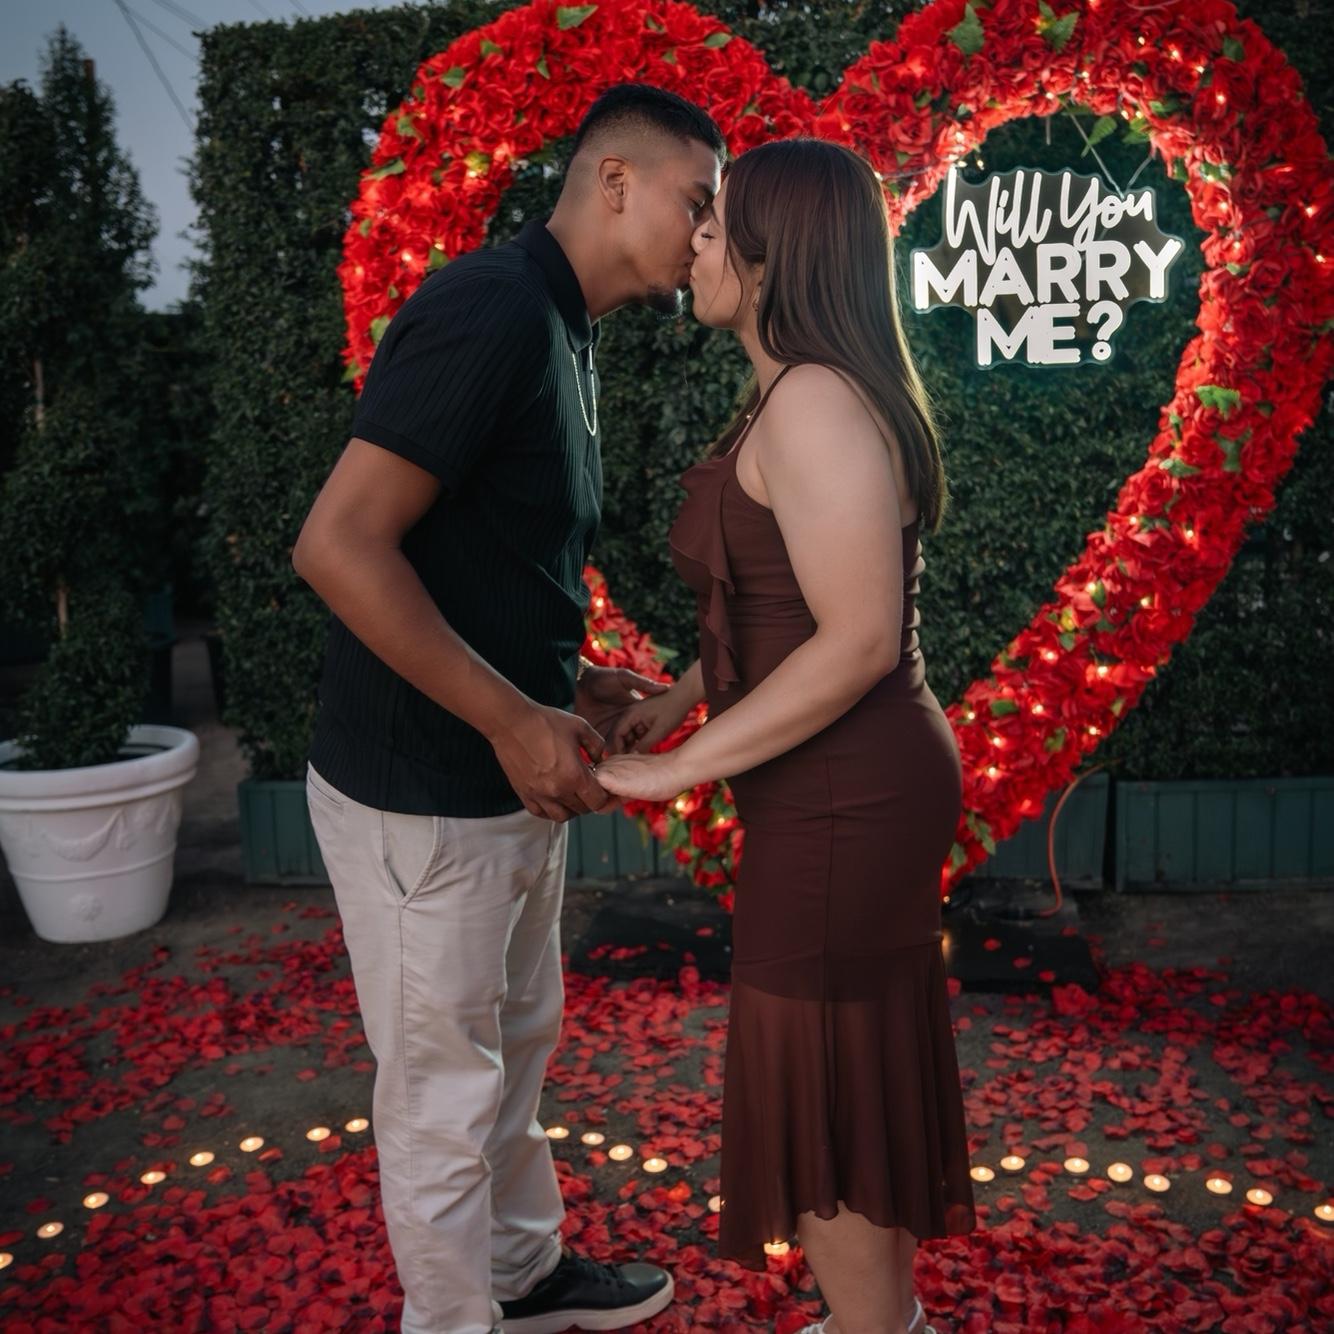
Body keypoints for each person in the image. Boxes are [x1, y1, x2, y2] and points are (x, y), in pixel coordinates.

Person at [292, 84, 725, 1334]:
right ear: (613, 183)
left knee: (516, 1047)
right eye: (696, 202)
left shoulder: (559, 324)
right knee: (441, 1097)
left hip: (500, 778)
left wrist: (562, 684)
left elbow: (482, 552)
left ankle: (524, 1278)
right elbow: (337, 543)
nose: (708, 234)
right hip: (421, 790)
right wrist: (507, 716)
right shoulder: (491, 307)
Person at [594, 138, 978, 1334]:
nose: (694, 242)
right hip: (842, 786)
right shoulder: (798, 390)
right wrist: (682, 695)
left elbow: (854, 638)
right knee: (849, 1067)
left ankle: (875, 1328)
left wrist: (677, 768)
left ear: (772, 257)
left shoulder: (811, 398)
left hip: (844, 795)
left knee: (826, 1078)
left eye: (715, 225)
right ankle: (883, 1322)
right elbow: (785, 606)